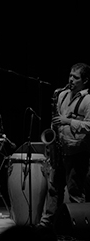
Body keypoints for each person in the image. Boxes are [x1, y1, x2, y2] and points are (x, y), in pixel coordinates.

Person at [39, 62, 90, 229]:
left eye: (75, 77)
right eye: (70, 76)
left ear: (85, 80)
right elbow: (56, 120)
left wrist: (68, 121)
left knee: (75, 192)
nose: (71, 80)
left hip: (77, 152)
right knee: (53, 189)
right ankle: (47, 224)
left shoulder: (88, 99)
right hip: (60, 150)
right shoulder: (61, 95)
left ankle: (78, 227)